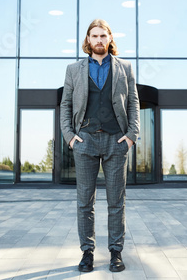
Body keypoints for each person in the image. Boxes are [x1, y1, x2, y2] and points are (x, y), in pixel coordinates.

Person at [60, 19, 140, 273]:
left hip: (117, 141)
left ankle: (116, 252)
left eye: (103, 36)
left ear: (110, 39)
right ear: (88, 40)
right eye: (94, 36)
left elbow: (134, 103)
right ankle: (87, 253)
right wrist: (70, 137)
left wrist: (131, 136)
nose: (99, 40)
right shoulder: (74, 70)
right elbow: (66, 105)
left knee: (116, 201)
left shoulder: (125, 68)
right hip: (85, 141)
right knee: (85, 202)